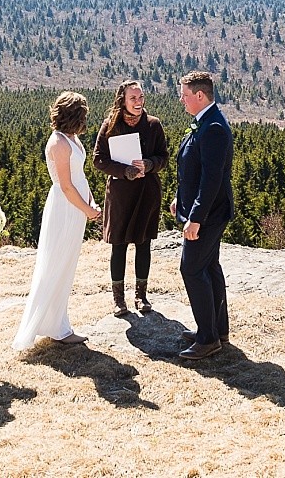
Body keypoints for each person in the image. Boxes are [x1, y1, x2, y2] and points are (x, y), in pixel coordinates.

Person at [13, 91, 102, 349]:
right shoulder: (58, 143)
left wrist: (91, 201)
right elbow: (65, 186)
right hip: (65, 208)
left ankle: (58, 323)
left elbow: (79, 176)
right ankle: (51, 326)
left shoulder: (71, 138)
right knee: (56, 263)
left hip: (77, 204)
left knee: (67, 264)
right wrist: (87, 209)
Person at [169, 71, 233, 360]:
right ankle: (216, 328)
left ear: (200, 95)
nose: (181, 99)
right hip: (204, 209)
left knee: (192, 269)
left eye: (184, 95)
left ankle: (208, 339)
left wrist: (195, 217)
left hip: (209, 214)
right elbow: (193, 170)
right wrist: (179, 200)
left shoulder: (214, 128)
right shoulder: (204, 122)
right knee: (209, 267)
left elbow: (211, 179)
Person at [92, 80, 169, 315]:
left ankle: (141, 296)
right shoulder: (110, 125)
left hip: (147, 192)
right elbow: (99, 159)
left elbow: (164, 157)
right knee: (119, 246)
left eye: (141, 97)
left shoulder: (153, 125)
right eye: (133, 98)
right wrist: (124, 171)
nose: (138, 102)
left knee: (143, 244)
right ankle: (118, 300)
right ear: (122, 100)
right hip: (120, 194)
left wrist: (149, 164)